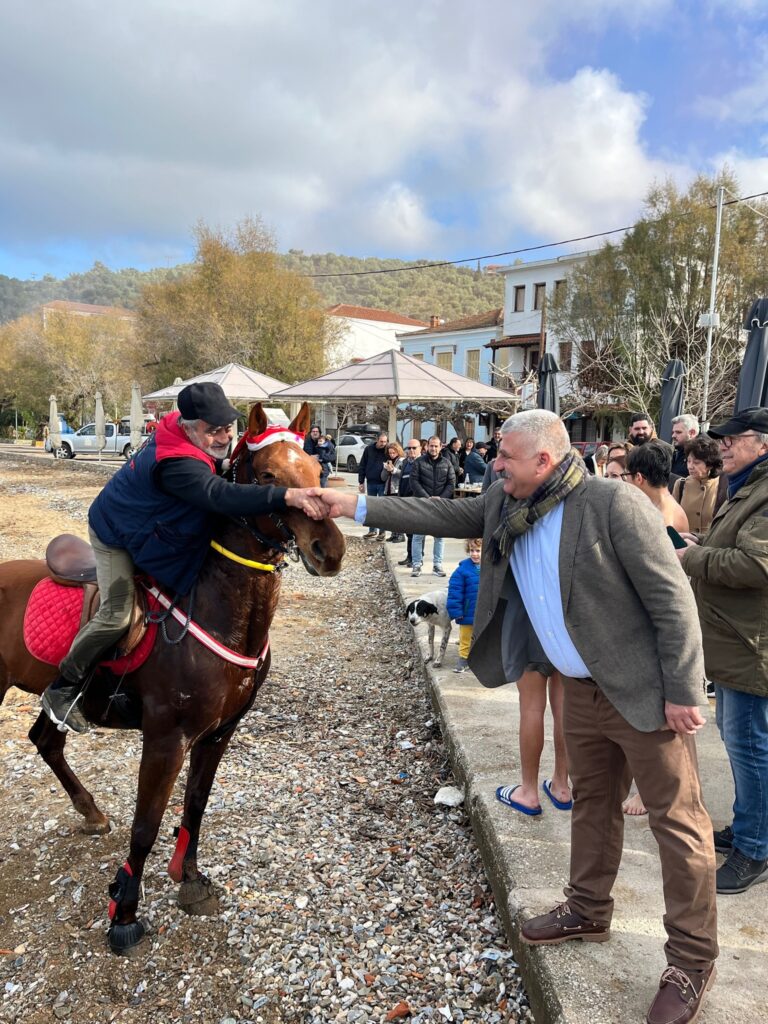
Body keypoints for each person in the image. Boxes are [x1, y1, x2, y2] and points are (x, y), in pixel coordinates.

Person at [318, 409, 717, 1024]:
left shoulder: (612, 504)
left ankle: (690, 962)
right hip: (577, 690)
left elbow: (672, 599)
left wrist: (684, 690)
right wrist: (350, 504)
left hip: (642, 693)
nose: (494, 464)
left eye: (506, 456)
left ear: (545, 460)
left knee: (677, 824)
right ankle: (587, 906)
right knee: (591, 804)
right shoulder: (507, 504)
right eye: (497, 455)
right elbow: (440, 513)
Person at [41, 383, 327, 734]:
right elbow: (217, 494)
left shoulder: (187, 430)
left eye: (227, 427)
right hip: (115, 530)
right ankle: (64, 687)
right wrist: (286, 496)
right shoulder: (175, 461)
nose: (223, 436)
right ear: (189, 427)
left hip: (153, 520)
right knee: (117, 613)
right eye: (213, 430)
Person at [678, 407, 768, 895]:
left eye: (735, 440)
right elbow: (734, 549)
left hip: (752, 646)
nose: (723, 447)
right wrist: (701, 543)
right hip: (738, 642)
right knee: (744, 745)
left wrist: (692, 556)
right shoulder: (749, 487)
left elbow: (756, 566)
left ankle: (756, 849)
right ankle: (750, 826)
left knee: (751, 746)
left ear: (764, 444)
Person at [408, 435, 455, 579]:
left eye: (436, 446)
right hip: (422, 504)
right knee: (418, 536)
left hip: (440, 505)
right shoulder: (419, 462)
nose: (433, 448)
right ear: (426, 446)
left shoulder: (447, 463)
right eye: (431, 445)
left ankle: (437, 565)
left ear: (441, 447)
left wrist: (441, 498)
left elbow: (451, 483)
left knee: (439, 537)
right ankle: (416, 564)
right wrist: (427, 498)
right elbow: (414, 481)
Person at [624, 441, 689, 534]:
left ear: (639, 478)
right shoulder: (668, 506)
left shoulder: (659, 520)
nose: (625, 481)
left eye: (626, 475)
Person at [672, 435, 728, 534]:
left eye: (696, 463)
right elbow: (673, 517)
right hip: (685, 543)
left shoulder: (722, 485)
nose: (690, 466)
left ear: (710, 465)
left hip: (710, 545)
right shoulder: (680, 484)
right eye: (688, 461)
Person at [447, 539, 482, 673]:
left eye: (478, 551)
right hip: (467, 612)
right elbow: (455, 592)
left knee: (482, 636)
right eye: (472, 551)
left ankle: (480, 659)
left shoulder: (489, 568)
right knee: (465, 636)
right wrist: (456, 611)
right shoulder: (462, 571)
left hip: (483, 612)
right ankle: (463, 659)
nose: (475, 554)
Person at [358, 432, 389, 539]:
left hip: (382, 483)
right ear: (377, 440)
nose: (383, 444)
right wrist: (361, 482)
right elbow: (362, 465)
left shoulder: (387, 450)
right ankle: (372, 530)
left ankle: (382, 532)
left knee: (381, 508)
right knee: (371, 508)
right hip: (371, 482)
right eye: (381, 441)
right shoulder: (369, 449)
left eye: (385, 441)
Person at [396, 440, 421, 568]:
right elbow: (402, 481)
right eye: (409, 448)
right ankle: (409, 556)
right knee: (408, 531)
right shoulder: (405, 462)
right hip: (404, 500)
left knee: (416, 533)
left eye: (414, 448)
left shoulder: (422, 462)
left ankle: (417, 557)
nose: (411, 450)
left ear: (420, 448)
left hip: (416, 501)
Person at [381, 442, 406, 543]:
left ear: (398, 451)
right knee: (391, 514)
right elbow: (382, 478)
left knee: (398, 514)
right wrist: (386, 469)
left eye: (393, 453)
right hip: (388, 490)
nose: (391, 455)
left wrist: (394, 470)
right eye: (390, 453)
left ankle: (400, 535)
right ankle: (393, 534)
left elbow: (403, 475)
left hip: (397, 490)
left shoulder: (402, 461)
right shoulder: (388, 461)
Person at [304, 424, 334, 488]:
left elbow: (333, 456)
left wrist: (321, 458)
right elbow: (304, 454)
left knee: (322, 487)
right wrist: (310, 457)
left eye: (316, 431)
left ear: (319, 433)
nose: (315, 433)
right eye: (313, 431)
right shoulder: (307, 442)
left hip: (323, 469)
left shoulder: (326, 441)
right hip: (310, 469)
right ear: (310, 433)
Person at [670, 414, 700, 478]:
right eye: (673, 432)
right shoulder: (679, 450)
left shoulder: (703, 454)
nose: (673, 436)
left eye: (678, 432)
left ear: (692, 433)